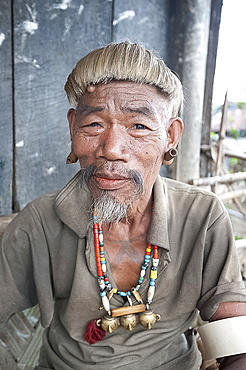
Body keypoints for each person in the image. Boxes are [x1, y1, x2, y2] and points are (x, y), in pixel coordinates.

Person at [0, 41, 246, 370]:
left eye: (139, 126)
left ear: (170, 137)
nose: (112, 148)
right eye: (94, 125)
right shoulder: (40, 222)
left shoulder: (202, 217)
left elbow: (234, 333)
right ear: (73, 129)